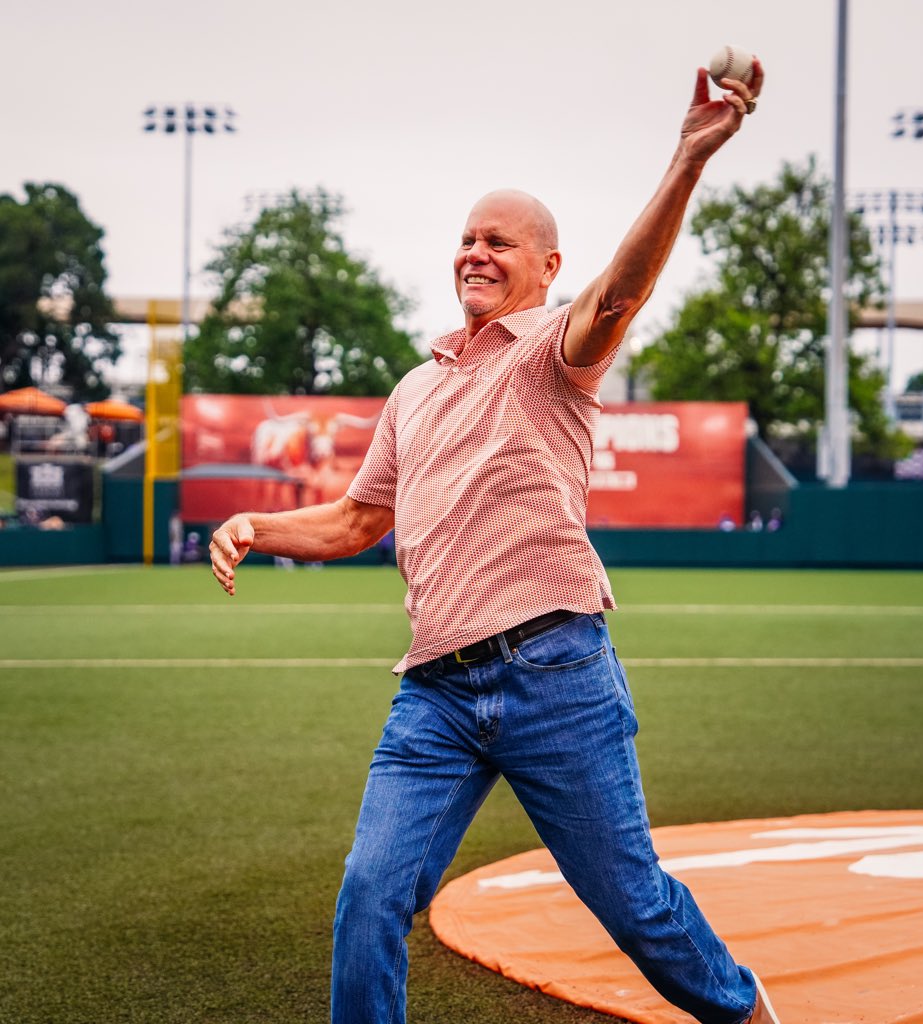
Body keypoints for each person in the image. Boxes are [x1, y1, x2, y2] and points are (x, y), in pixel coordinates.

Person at [210, 60, 779, 1024]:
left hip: (555, 674)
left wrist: (686, 160)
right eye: (466, 238)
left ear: (547, 269)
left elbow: (621, 293)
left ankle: (744, 1011)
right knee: (369, 898)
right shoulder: (414, 389)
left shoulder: (554, 359)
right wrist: (257, 524)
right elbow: (356, 520)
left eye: (500, 241)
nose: (476, 251)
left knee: (635, 908)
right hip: (435, 691)